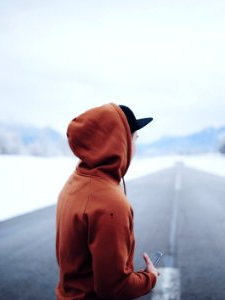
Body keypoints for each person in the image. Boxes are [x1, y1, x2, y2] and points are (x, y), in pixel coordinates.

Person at [55, 103, 159, 299]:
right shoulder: (110, 203)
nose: (135, 147)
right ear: (122, 141)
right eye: (135, 139)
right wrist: (150, 277)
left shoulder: (75, 182)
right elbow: (115, 288)